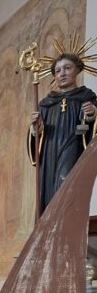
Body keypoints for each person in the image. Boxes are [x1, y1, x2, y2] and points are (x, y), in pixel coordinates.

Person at [30, 52, 97, 212]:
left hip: (73, 145)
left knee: (66, 183)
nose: (62, 73)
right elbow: (37, 136)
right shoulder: (46, 103)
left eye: (67, 68)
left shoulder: (86, 96)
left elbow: (91, 127)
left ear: (77, 70)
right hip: (50, 151)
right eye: (58, 70)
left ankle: (63, 221)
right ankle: (49, 222)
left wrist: (92, 114)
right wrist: (36, 128)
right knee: (49, 190)